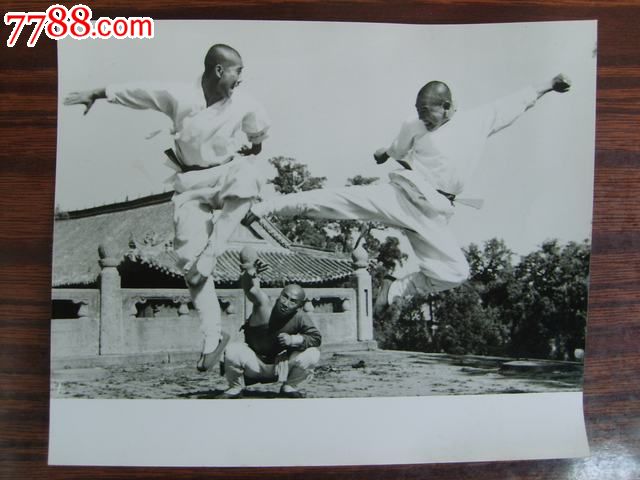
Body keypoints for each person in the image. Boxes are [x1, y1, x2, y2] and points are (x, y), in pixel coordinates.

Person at [243, 74, 572, 304]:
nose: (424, 122)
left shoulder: (478, 120)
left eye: (429, 116)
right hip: (402, 196)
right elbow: (400, 150)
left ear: (447, 107)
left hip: (435, 214)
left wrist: (548, 84)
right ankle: (262, 208)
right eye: (421, 116)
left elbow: (515, 103)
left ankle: (395, 289)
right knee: (335, 200)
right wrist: (385, 152)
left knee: (456, 272)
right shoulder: (413, 126)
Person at [64, 44, 270, 371]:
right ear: (219, 70)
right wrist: (98, 93)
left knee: (249, 177)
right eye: (237, 71)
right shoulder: (179, 96)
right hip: (190, 183)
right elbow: (140, 92)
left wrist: (253, 145)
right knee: (190, 263)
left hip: (228, 172)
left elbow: (258, 137)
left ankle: (213, 252)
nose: (240, 79)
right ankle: (212, 337)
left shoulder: (246, 103)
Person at [218, 246, 322, 399]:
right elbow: (250, 291)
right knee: (233, 350)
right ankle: (235, 388)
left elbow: (316, 338)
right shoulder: (265, 305)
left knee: (313, 354)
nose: (286, 303)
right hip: (254, 364)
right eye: (284, 297)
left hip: (281, 367)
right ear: (279, 296)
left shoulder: (300, 317)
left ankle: (289, 387)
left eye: (292, 301)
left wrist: (293, 340)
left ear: (299, 306)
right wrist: (250, 274)